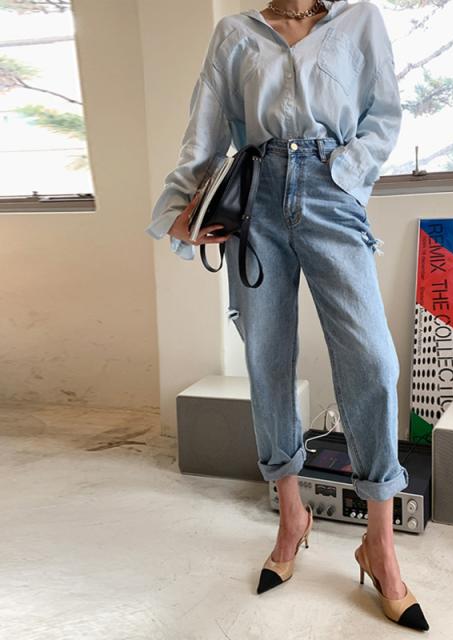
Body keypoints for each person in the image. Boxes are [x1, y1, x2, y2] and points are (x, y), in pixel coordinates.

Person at [144, 0, 429, 631]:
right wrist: (178, 210)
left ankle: (379, 543)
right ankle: (291, 516)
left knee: (373, 364)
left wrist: (343, 171)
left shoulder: (359, 20)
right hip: (256, 201)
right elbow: (206, 125)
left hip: (332, 193)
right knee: (266, 359)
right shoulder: (236, 33)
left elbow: (383, 115)